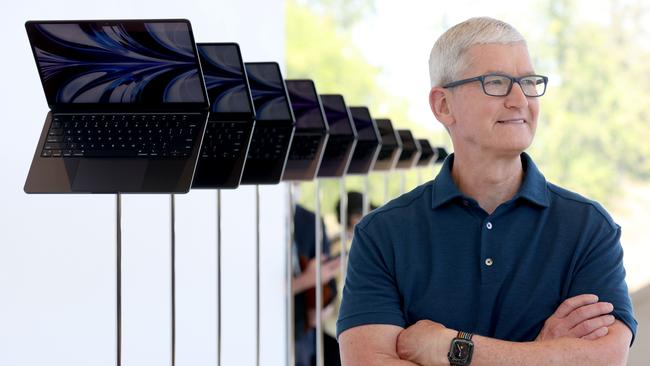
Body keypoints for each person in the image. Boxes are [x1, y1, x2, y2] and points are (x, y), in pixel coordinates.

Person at [337, 17, 637, 366]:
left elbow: (604, 359)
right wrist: (542, 353)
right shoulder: (382, 235)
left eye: (527, 81)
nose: (520, 99)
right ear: (443, 106)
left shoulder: (588, 227)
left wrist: (451, 347)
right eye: (495, 82)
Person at [292, 203, 341, 366]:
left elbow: (328, 282)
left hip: (303, 332)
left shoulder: (310, 221)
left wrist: (322, 309)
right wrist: (306, 280)